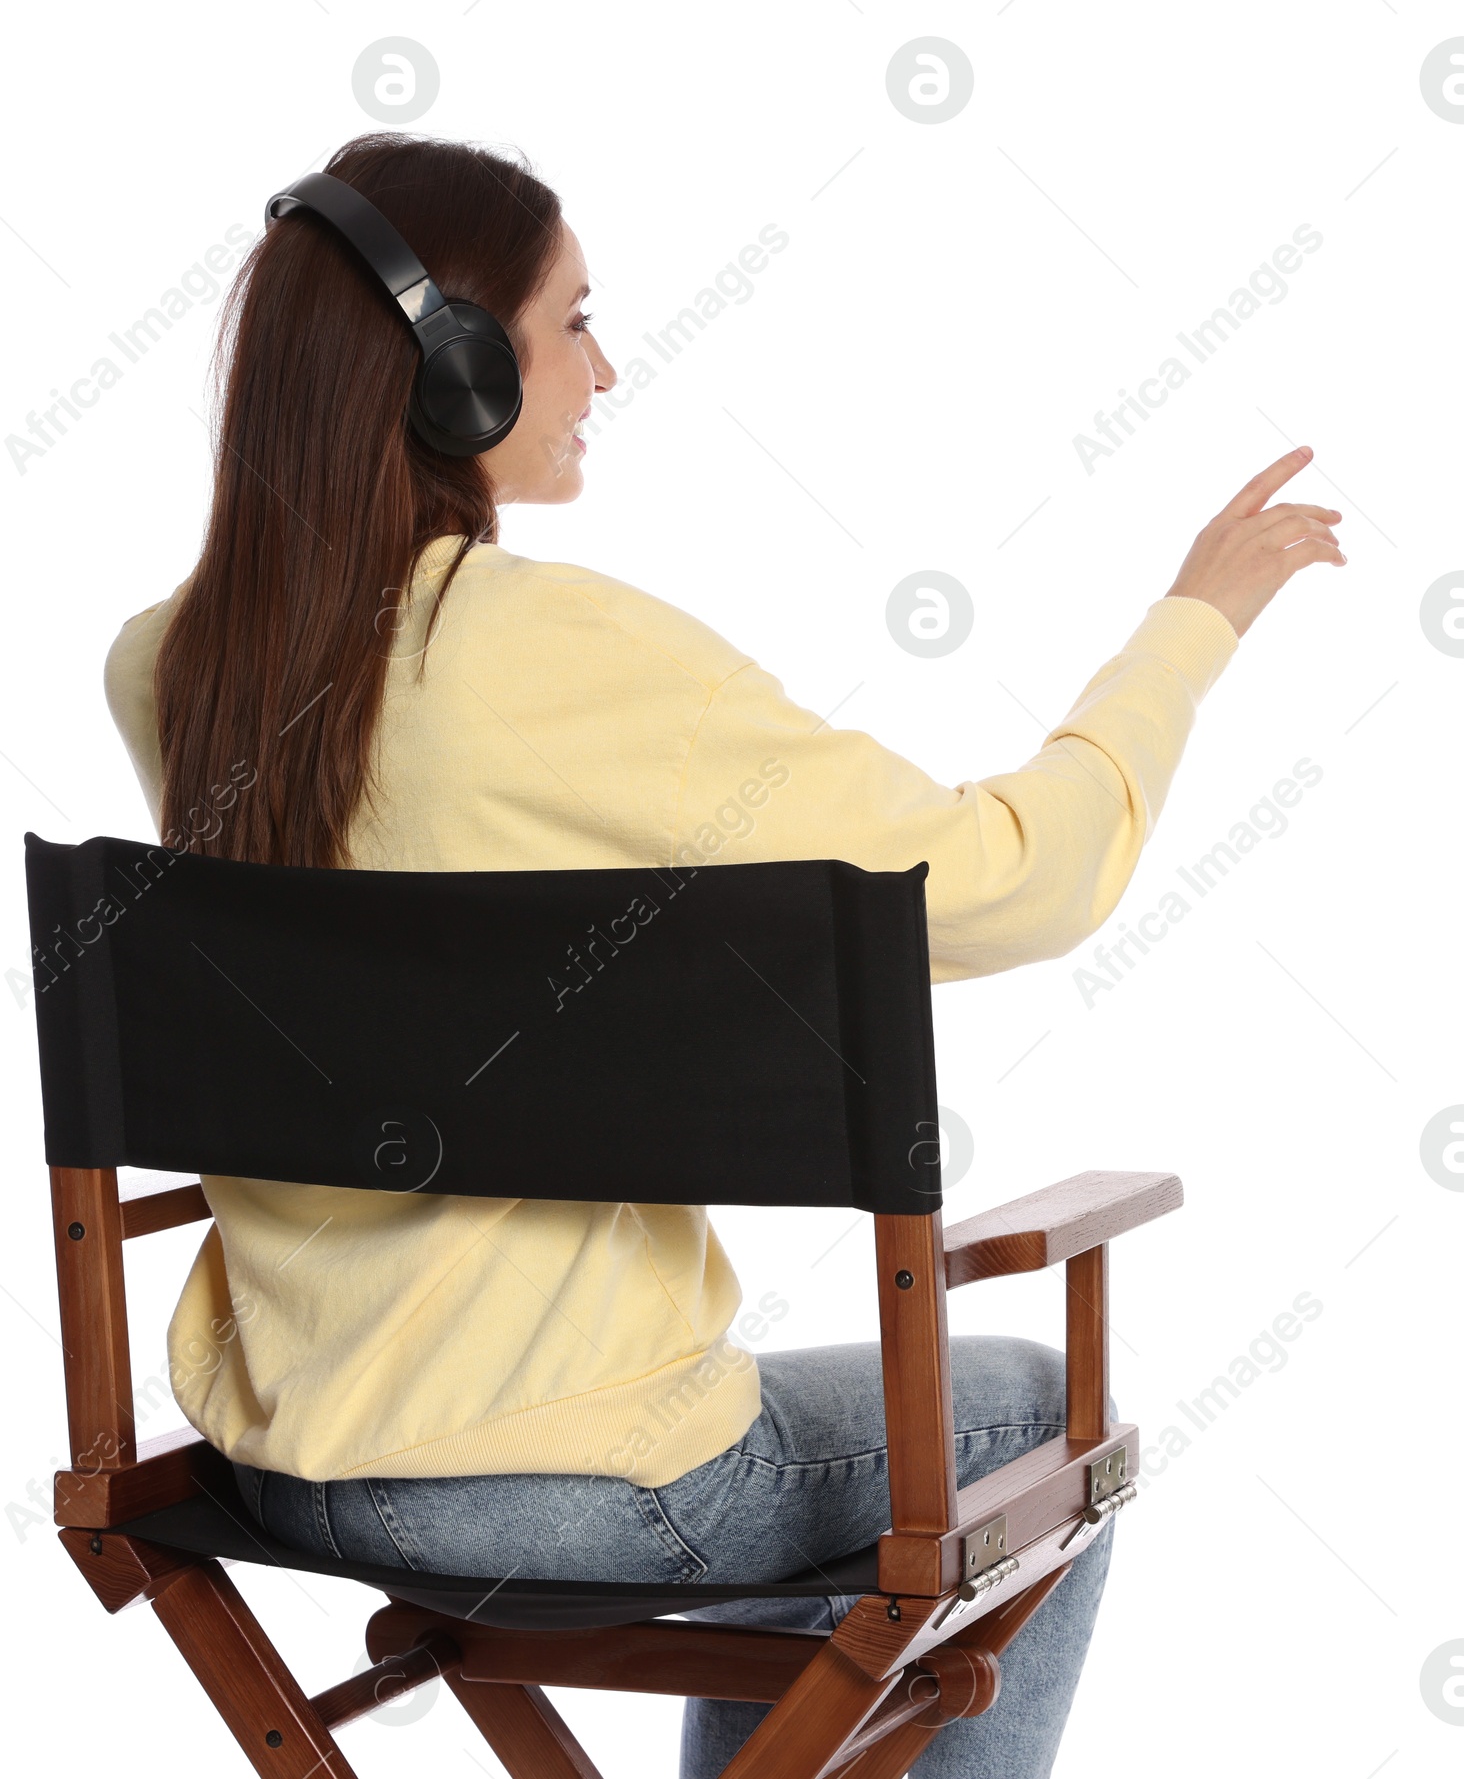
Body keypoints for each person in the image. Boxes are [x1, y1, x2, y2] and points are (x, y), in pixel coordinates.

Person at [102, 130, 1345, 1777]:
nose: (606, 368)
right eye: (575, 325)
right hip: (576, 1477)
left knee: (775, 1429)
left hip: (283, 1459)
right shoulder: (556, 649)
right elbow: (1004, 881)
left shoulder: (171, 668)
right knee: (1041, 1410)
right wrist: (1193, 626)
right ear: (458, 371)